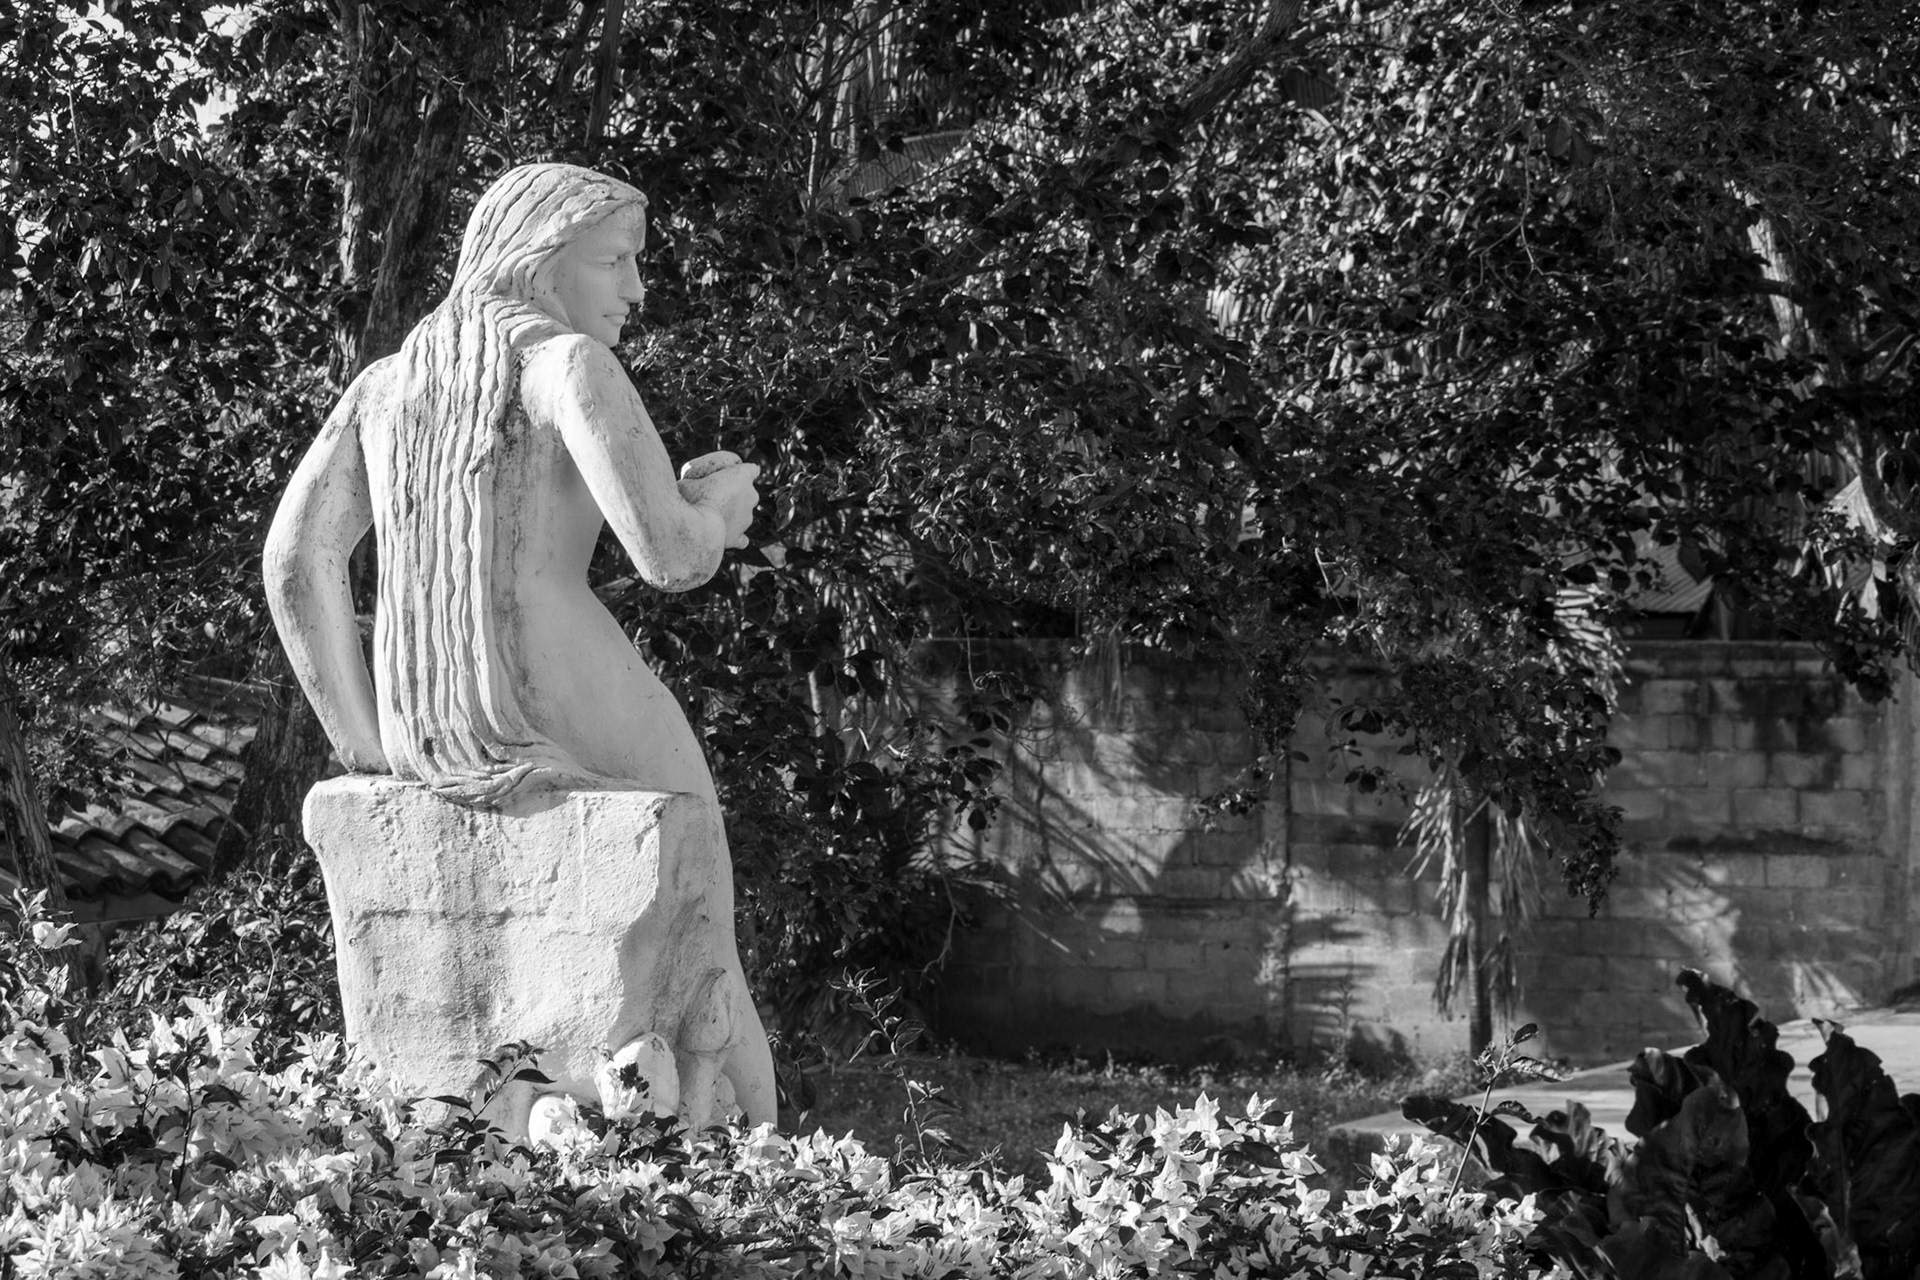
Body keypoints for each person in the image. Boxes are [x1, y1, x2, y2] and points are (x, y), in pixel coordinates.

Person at [263, 161, 773, 1122]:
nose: (636, 290)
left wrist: (368, 743)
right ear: (539, 262)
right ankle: (736, 1144)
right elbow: (669, 557)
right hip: (570, 681)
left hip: (427, 723)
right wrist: (718, 510)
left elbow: (295, 562)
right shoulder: (570, 367)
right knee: (703, 917)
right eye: (615, 261)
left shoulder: (385, 387)